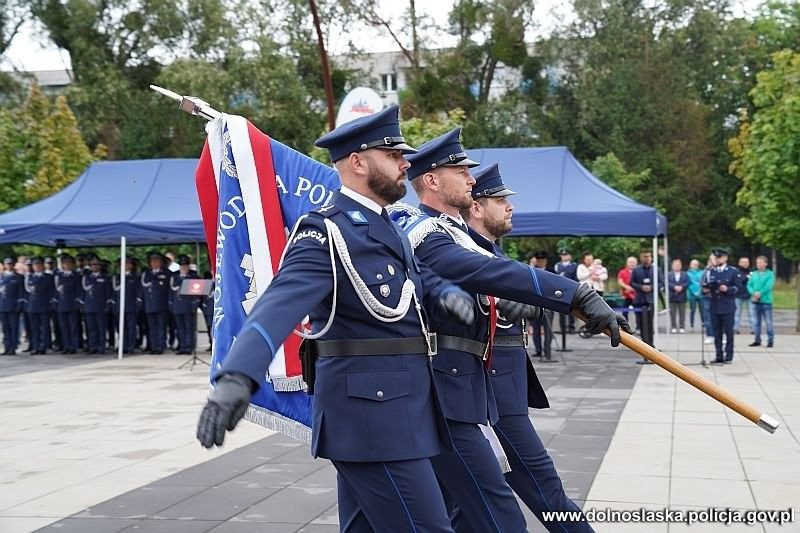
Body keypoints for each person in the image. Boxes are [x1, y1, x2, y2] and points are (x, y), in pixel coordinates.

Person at [197, 105, 478, 532]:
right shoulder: (324, 231)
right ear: (358, 162)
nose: (406, 164)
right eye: (393, 154)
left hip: (398, 412)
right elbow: (278, 306)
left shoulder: (388, 227)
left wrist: (448, 293)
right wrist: (237, 376)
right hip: (372, 420)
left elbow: (415, 282)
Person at [401, 128, 627, 532]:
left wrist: (534, 302)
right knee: (523, 496)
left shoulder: (461, 239)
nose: (472, 182)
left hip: (482, 388)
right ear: (433, 180)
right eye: (498, 198)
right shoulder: (430, 235)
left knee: (465, 508)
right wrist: (575, 291)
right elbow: (484, 277)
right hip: (464, 387)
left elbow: (499, 285)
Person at [461, 163, 592, 532]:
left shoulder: (495, 256)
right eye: (500, 199)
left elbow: (527, 295)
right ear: (476, 207)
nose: (510, 206)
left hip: (504, 390)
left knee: (466, 507)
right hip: (491, 397)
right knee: (547, 493)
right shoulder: (464, 256)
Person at [702, 248, 740, 363]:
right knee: (716, 333)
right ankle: (719, 355)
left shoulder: (732, 271)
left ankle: (728, 356)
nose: (717, 259)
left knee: (729, 333)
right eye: (715, 257)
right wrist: (705, 290)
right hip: (714, 306)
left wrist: (727, 289)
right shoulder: (711, 271)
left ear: (725, 258)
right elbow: (704, 286)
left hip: (727, 306)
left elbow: (738, 288)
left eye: (719, 257)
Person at [141, 252, 171, 354]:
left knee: (161, 327)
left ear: (161, 262)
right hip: (149, 305)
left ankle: (160, 346)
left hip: (162, 305)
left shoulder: (166, 273)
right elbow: (143, 289)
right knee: (152, 328)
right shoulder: (146, 273)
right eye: (152, 261)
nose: (154, 263)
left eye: (157, 261)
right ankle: (154, 347)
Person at [169, 255, 199, 354]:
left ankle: (189, 347)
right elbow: (170, 292)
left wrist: (195, 304)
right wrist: (171, 304)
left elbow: (197, 291)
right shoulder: (174, 276)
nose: (184, 267)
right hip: (177, 305)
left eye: (186, 265)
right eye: (182, 265)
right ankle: (182, 347)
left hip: (189, 306)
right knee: (179, 328)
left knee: (189, 328)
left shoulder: (193, 276)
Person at [25, 257, 55, 354]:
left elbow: (51, 292)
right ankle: (36, 346)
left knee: (45, 328)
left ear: (42, 265)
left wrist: (50, 304)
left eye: (39, 265)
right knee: (35, 328)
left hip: (44, 305)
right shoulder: (30, 277)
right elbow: (28, 291)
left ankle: (44, 346)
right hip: (33, 306)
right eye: (35, 265)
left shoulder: (48, 277)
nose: (37, 267)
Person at [82, 257, 112, 354]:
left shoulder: (105, 277)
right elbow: (83, 292)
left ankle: (101, 347)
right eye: (93, 265)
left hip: (100, 306)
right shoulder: (86, 277)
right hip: (89, 306)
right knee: (91, 328)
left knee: (101, 328)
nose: (95, 266)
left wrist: (107, 304)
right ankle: (92, 346)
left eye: (97, 264)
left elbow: (108, 292)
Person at [528, 250, 554, 359]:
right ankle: (538, 350)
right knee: (536, 329)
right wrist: (532, 266)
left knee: (548, 330)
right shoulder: (531, 271)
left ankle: (547, 351)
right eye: (539, 261)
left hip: (548, 304)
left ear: (546, 261)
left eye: (543, 260)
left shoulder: (551, 271)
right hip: (535, 305)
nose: (541, 262)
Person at [630, 250, 657, 348]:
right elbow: (631, 282)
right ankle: (644, 345)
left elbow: (661, 282)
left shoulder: (656, 269)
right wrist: (641, 287)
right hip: (639, 300)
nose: (648, 258)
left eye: (649, 256)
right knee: (641, 323)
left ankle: (651, 344)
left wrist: (652, 287)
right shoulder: (636, 270)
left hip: (651, 300)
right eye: (645, 256)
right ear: (641, 258)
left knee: (650, 323)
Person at [55, 254, 81, 354]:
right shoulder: (59, 276)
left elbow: (79, 291)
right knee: (64, 327)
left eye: (69, 263)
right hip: (61, 305)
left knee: (73, 327)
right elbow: (56, 291)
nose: (67, 265)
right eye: (65, 263)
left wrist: (77, 303)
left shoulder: (76, 276)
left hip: (72, 304)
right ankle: (66, 346)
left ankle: (73, 346)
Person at [112, 257, 139, 354]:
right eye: (122, 264)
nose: (124, 266)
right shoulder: (117, 277)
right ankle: (123, 346)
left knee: (131, 328)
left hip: (131, 306)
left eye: (127, 264)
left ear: (131, 265)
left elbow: (138, 292)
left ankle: (131, 347)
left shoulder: (135, 277)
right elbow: (114, 293)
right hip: (119, 306)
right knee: (121, 329)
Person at [748, 255, 775, 348]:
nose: (758, 264)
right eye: (757, 262)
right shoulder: (753, 274)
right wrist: (753, 293)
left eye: (760, 262)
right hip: (755, 301)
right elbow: (749, 285)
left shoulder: (770, 274)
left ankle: (770, 340)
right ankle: (757, 340)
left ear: (765, 263)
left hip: (766, 301)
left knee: (768, 322)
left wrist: (760, 293)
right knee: (756, 322)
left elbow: (769, 286)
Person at [0, 257, 24, 355]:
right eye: (7, 264)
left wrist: (20, 304)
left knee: (14, 327)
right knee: (5, 328)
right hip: (2, 306)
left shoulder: (18, 277)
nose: (9, 265)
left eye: (10, 264)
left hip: (13, 306)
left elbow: (21, 292)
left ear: (13, 265)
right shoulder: (1, 277)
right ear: (4, 265)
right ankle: (7, 347)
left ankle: (13, 347)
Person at [554, 249, 578, 333]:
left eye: (566, 255)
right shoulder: (557, 265)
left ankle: (571, 327)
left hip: (570, 288)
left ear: (570, 256)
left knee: (571, 309)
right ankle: (562, 328)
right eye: (563, 255)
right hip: (560, 289)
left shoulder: (574, 265)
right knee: (561, 310)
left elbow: (575, 278)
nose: (564, 257)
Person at [668, 258, 689, 333]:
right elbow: (667, 283)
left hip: (682, 296)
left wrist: (682, 287)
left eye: (678, 265)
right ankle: (673, 326)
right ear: (672, 266)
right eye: (675, 265)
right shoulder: (669, 274)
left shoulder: (685, 274)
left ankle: (682, 326)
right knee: (672, 313)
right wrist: (674, 287)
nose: (677, 266)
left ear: (681, 266)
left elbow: (687, 282)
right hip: (672, 296)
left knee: (682, 312)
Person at [617, 256, 638, 331]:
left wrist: (633, 288)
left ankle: (638, 328)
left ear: (636, 263)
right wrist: (626, 287)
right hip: (626, 296)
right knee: (624, 313)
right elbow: (620, 281)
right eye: (630, 262)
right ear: (627, 263)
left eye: (633, 262)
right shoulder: (622, 272)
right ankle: (625, 327)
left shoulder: (638, 271)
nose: (632, 264)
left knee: (638, 313)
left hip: (636, 296)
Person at [701, 254, 717, 344]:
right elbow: (702, 282)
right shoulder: (706, 271)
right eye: (711, 260)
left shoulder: (721, 270)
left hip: (717, 297)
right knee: (707, 318)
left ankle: (719, 335)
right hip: (707, 297)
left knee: (718, 317)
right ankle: (710, 335)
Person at [734, 257, 752, 334]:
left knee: (752, 313)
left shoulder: (752, 272)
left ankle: (754, 329)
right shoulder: (736, 272)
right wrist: (746, 278)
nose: (745, 264)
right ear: (739, 263)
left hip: (750, 295)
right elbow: (738, 282)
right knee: (737, 313)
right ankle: (735, 329)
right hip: (738, 295)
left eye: (746, 262)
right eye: (743, 262)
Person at [686, 259, 704, 330]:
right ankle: (692, 324)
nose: (695, 266)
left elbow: (702, 283)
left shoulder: (701, 272)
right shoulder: (688, 273)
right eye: (693, 264)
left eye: (696, 264)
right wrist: (694, 292)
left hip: (700, 294)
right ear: (690, 265)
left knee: (702, 310)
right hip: (691, 295)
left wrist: (699, 291)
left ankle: (703, 324)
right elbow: (688, 284)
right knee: (692, 310)